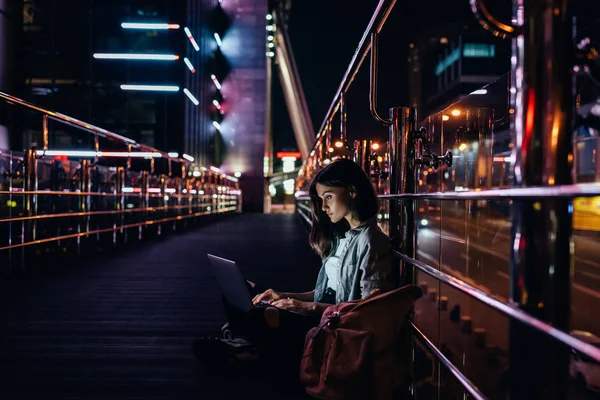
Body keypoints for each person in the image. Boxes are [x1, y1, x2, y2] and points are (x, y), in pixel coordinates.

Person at [194, 158, 396, 378]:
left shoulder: (372, 240)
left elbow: (368, 308)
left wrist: (305, 308)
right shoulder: (341, 236)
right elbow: (324, 294)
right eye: (320, 200)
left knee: (259, 315)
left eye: (328, 197)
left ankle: (246, 349)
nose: (324, 207)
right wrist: (285, 296)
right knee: (241, 292)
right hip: (317, 312)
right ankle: (246, 348)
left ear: (352, 191)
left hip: (330, 325)